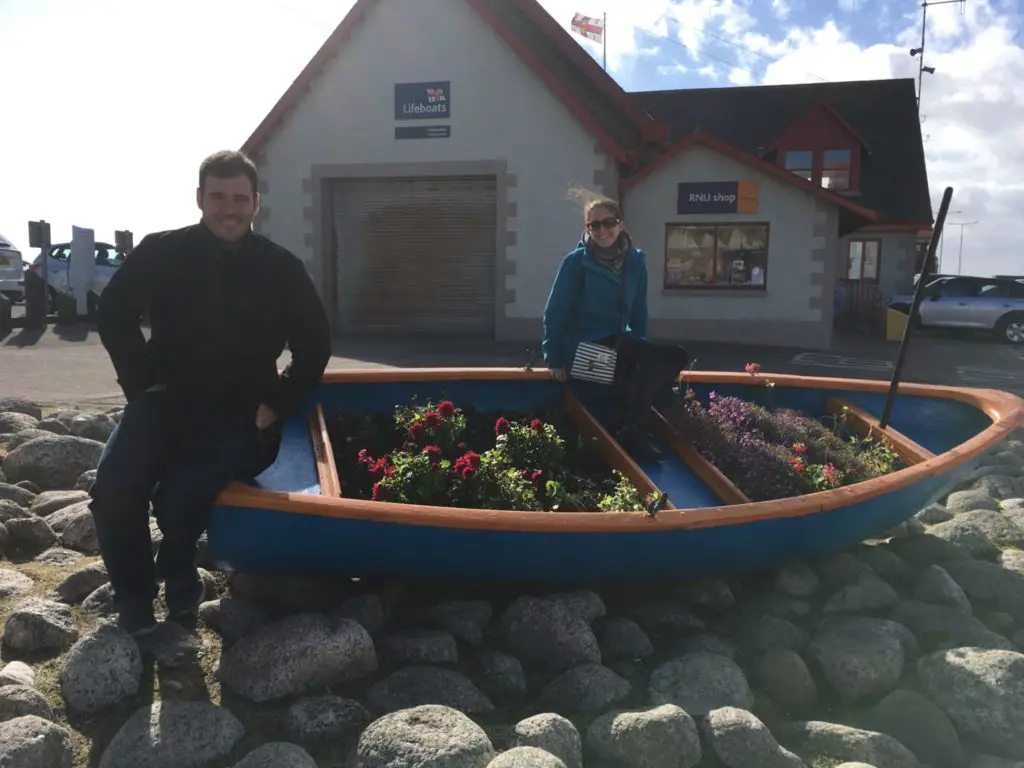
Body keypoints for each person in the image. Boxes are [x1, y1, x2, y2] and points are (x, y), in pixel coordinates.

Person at [90, 150, 332, 638]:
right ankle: (135, 601)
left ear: (256, 203)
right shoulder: (162, 251)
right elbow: (114, 312)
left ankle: (181, 580)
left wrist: (277, 407)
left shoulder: (282, 268)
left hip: (242, 415)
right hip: (163, 402)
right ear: (200, 199)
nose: (229, 209)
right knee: (114, 491)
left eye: (240, 198)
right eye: (217, 197)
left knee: (178, 503)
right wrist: (140, 386)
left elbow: (315, 348)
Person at [541, 185, 689, 461]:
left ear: (620, 225)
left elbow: (639, 312)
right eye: (594, 224)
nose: (601, 230)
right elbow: (556, 311)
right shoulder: (576, 263)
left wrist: (644, 349)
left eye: (608, 223)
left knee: (675, 357)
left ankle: (632, 429)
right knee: (655, 370)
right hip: (584, 349)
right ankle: (634, 432)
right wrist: (555, 358)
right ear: (588, 228)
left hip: (618, 343)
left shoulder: (635, 262)